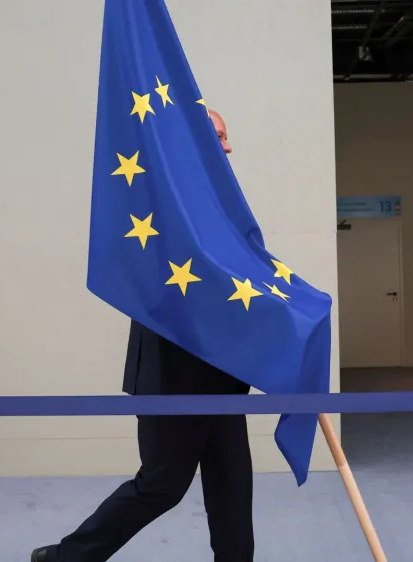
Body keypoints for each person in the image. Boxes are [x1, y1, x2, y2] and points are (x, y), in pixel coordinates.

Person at [33, 109, 253, 562]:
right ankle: (65, 559)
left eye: (227, 136)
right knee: (161, 485)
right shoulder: (165, 202)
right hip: (172, 374)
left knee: (232, 485)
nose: (228, 146)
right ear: (191, 142)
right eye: (218, 136)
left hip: (221, 372)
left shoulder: (217, 205)